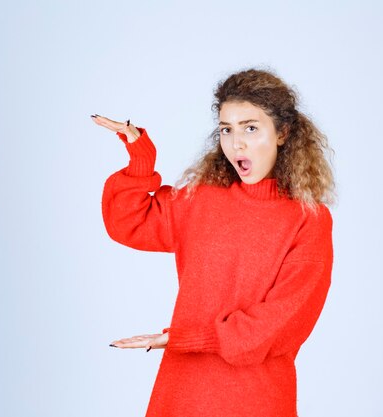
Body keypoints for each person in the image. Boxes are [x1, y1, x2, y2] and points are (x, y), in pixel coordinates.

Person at [91, 67, 336, 417]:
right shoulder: (201, 200)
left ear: (282, 133)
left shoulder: (308, 221)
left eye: (251, 128)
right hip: (182, 393)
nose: (236, 143)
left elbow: (280, 323)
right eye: (227, 129)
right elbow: (129, 222)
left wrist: (188, 338)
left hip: (257, 399)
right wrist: (140, 159)